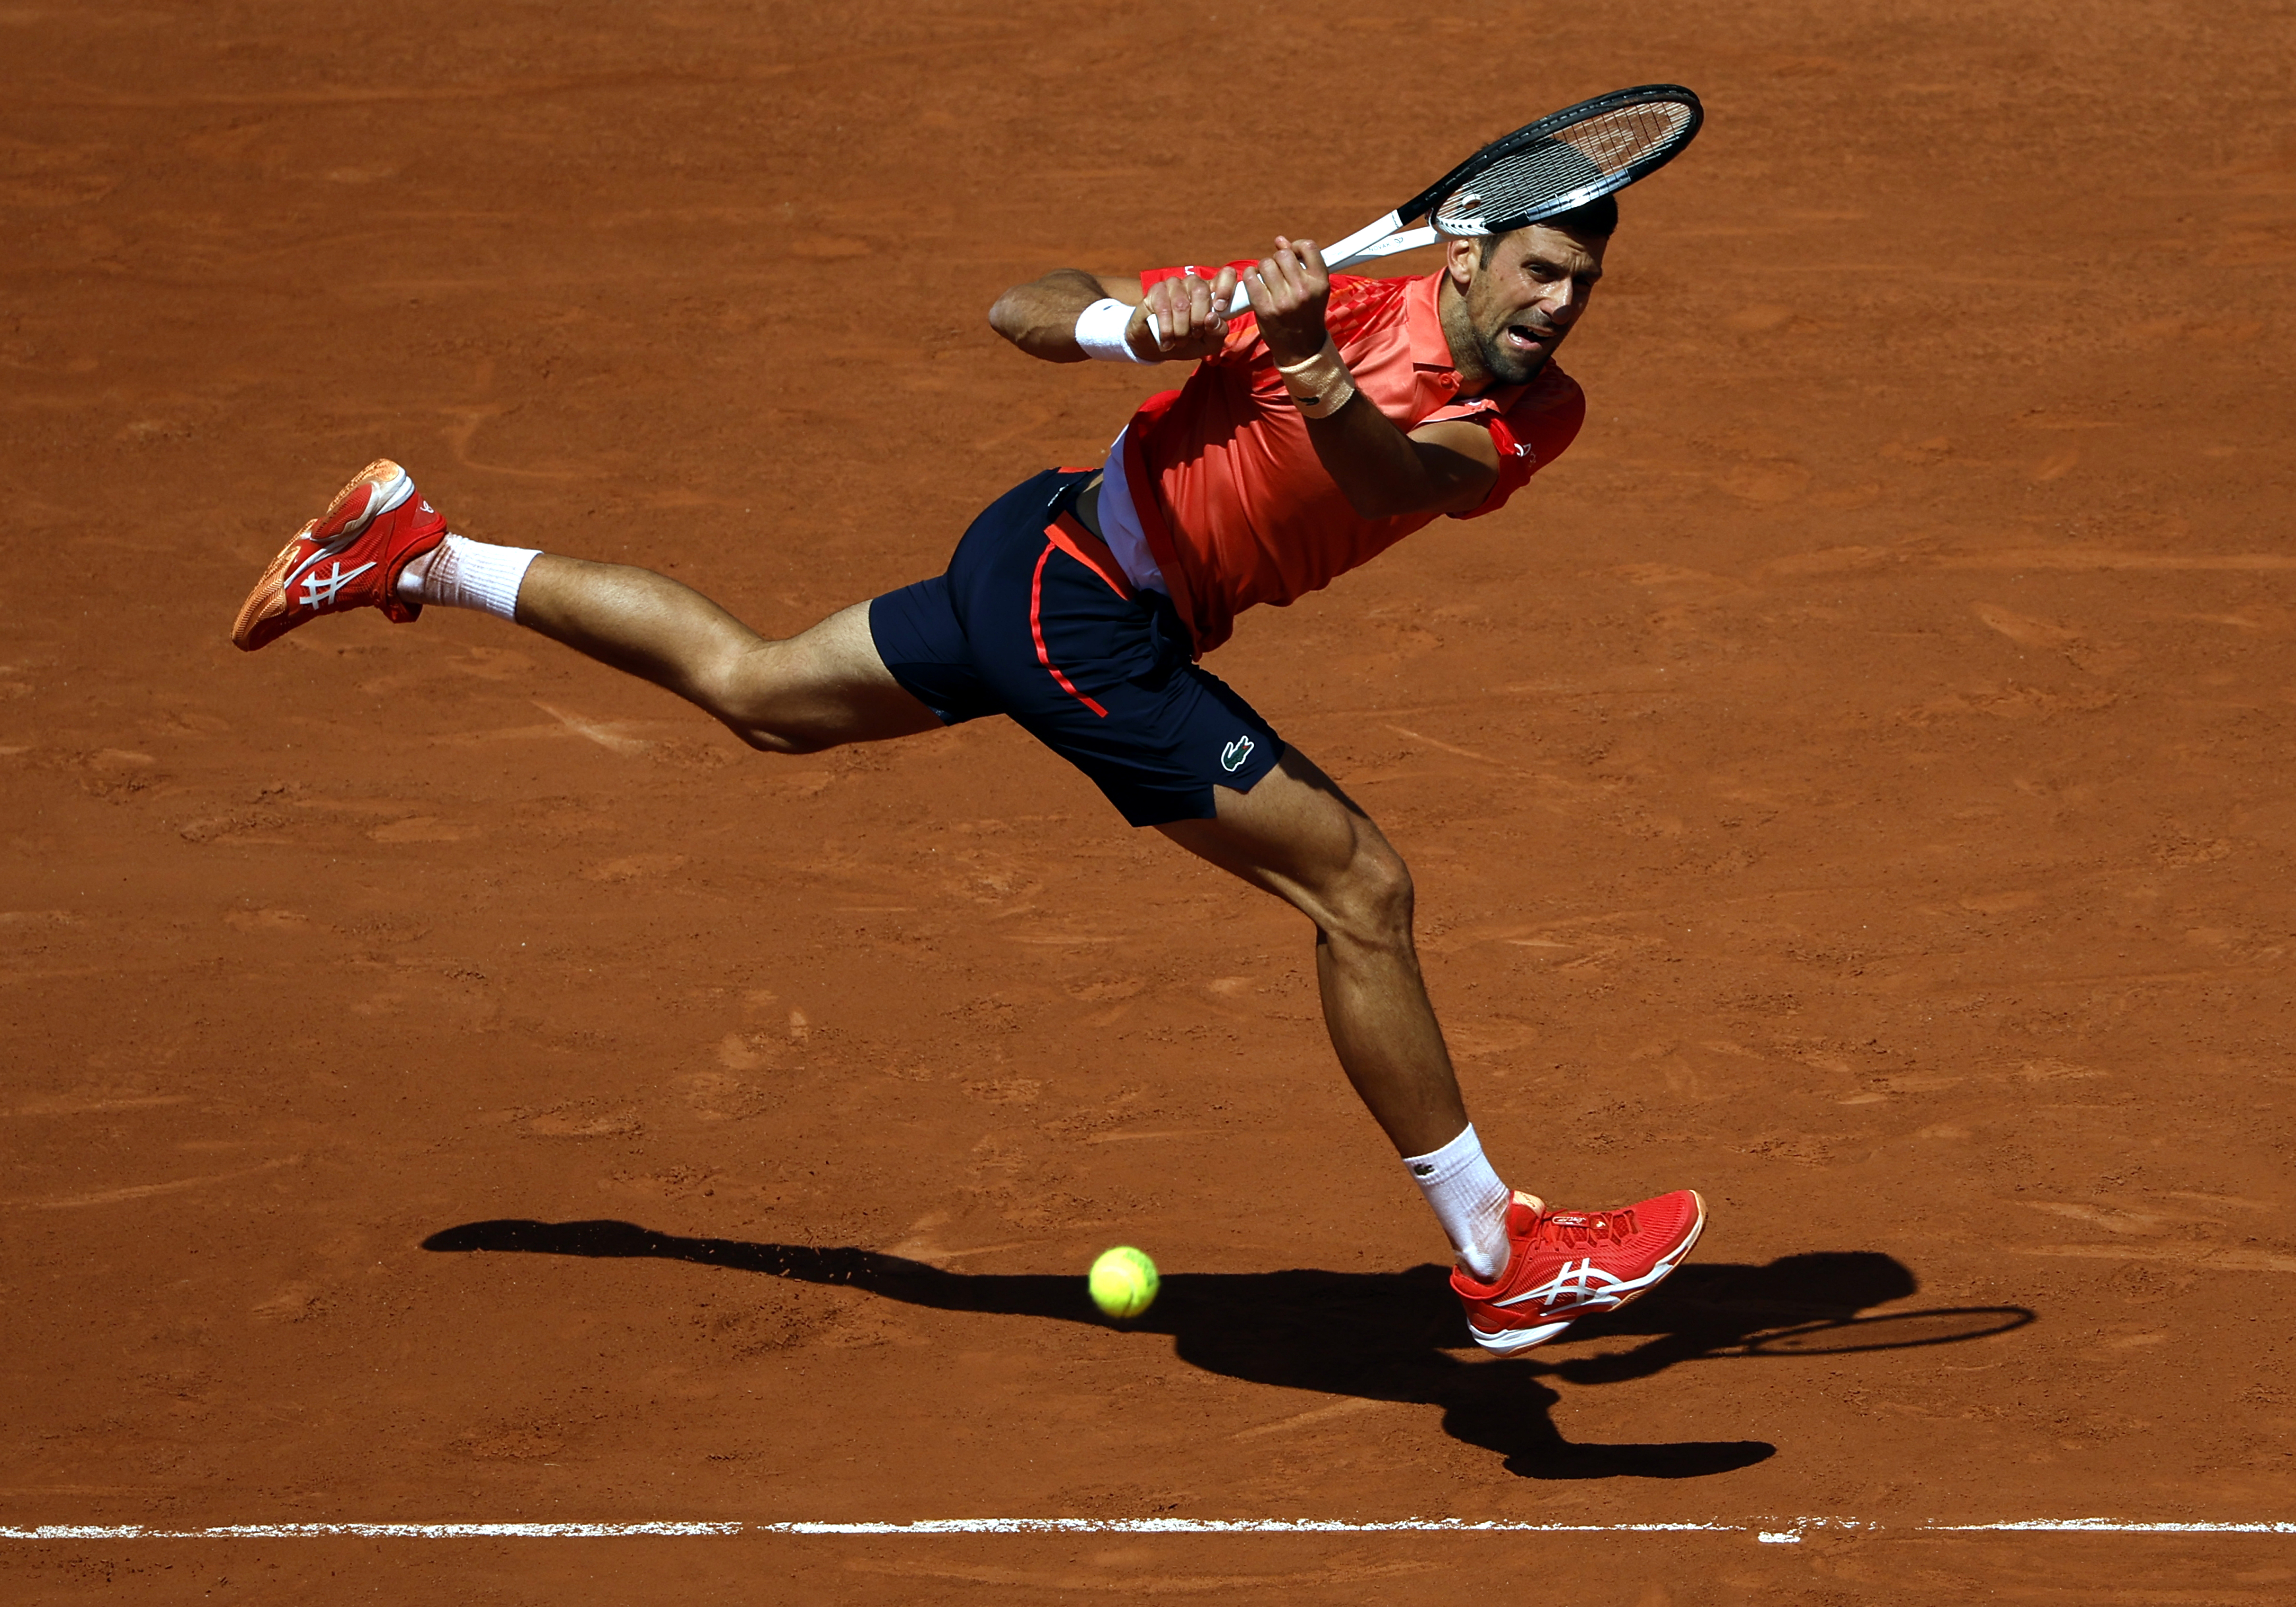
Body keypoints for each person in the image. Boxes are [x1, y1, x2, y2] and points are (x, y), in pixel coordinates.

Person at [231, 194, 1704, 1356]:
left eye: (1581, 286)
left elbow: (1402, 479)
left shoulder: (1530, 408)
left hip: (1044, 573)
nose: (1557, 309)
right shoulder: (1343, 303)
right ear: (1467, 257)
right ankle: (1500, 1258)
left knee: (759, 693)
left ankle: (420, 549)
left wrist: (1305, 357)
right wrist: (1145, 323)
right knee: (1359, 885)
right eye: (1538, 271)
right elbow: (1026, 306)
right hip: (1079, 606)